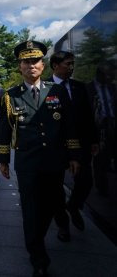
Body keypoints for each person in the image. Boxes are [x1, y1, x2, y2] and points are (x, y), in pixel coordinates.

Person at [0, 41, 81, 277]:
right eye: (26, 61)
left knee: (53, 203)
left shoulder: (56, 92)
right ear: (20, 66)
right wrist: (3, 159)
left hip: (54, 161)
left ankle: (44, 234)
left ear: (43, 65)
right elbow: (5, 129)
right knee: (30, 210)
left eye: (35, 61)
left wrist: (74, 154)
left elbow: (69, 126)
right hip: (27, 164)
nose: (31, 65)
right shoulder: (11, 95)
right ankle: (38, 258)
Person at [49, 51, 99, 238]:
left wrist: (93, 140)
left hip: (81, 144)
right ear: (55, 65)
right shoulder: (46, 87)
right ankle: (62, 224)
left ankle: (74, 205)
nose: (71, 67)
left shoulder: (79, 87)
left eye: (73, 64)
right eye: (67, 64)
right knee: (56, 188)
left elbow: (88, 115)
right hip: (56, 145)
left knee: (86, 180)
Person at [87, 62, 116, 197]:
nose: (110, 77)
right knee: (99, 158)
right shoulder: (88, 89)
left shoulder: (112, 88)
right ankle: (102, 188)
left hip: (113, 124)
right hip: (99, 127)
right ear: (100, 74)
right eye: (108, 75)